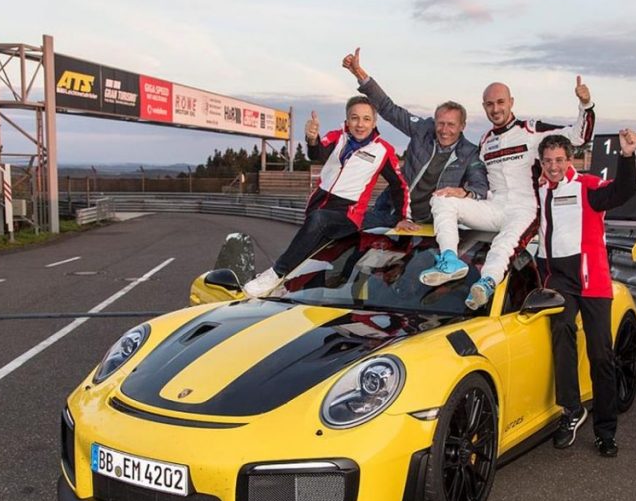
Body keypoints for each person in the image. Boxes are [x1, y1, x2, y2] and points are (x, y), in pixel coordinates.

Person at [421, 78, 596, 310]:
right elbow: (478, 181)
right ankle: (450, 260)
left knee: (504, 244)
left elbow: (578, 137)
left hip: (525, 208)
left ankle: (487, 282)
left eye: (500, 102)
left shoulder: (531, 129)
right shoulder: (485, 141)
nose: (496, 109)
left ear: (511, 102)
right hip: (494, 206)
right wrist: (463, 192)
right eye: (490, 104)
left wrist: (586, 104)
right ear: (484, 107)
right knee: (442, 198)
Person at [536, 130, 636, 457]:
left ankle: (605, 431)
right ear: (541, 162)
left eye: (559, 160)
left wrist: (627, 156)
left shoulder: (588, 187)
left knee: (600, 354)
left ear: (570, 160)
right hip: (558, 279)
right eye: (548, 161)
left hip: (592, 278)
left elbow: (624, 191)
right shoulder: (535, 190)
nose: (553, 167)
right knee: (562, 329)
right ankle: (571, 409)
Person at [243, 96, 409, 298]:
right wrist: (312, 139)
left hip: (348, 214)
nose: (360, 124)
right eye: (355, 118)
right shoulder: (336, 136)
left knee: (319, 221)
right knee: (314, 259)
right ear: (347, 120)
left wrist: (403, 217)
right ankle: (288, 288)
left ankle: (276, 273)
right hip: (319, 204)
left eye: (366, 119)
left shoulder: (383, 150)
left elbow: (399, 185)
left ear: (374, 123)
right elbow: (318, 154)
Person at [341, 47, 489, 229]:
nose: (444, 130)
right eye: (440, 123)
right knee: (357, 241)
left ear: (462, 126)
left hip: (429, 221)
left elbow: (480, 186)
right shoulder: (423, 129)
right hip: (392, 209)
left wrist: (464, 192)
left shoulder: (470, 153)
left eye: (451, 125)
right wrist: (359, 73)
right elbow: (389, 109)